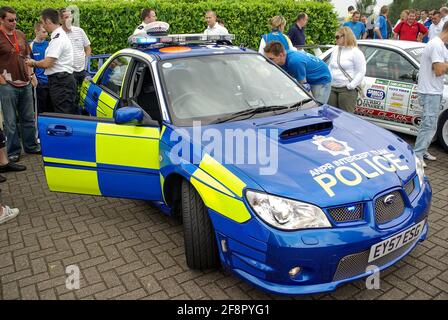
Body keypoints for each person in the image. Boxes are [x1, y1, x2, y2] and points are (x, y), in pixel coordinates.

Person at [0, 6, 41, 163]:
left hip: (25, 82)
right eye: (10, 20)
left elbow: (27, 56)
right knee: (10, 122)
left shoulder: (20, 34)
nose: (14, 22)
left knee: (29, 118)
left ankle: (31, 146)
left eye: (15, 19)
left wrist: (32, 75)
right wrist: (1, 80)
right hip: (7, 84)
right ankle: (13, 151)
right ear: (1, 20)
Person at [26, 8, 77, 115]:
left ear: (48, 21)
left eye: (43, 22)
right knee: (59, 113)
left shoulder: (58, 38)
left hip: (61, 82)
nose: (43, 26)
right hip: (60, 81)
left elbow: (47, 63)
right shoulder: (57, 37)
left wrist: (33, 63)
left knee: (63, 115)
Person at [413, 21, 448, 167]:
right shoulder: (436, 45)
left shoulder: (441, 46)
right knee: (428, 124)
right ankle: (417, 155)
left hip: (434, 90)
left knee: (431, 124)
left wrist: (444, 65)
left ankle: (423, 150)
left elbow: (442, 67)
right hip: (429, 91)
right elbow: (439, 70)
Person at [263, 41, 332, 104]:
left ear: (281, 55)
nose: (268, 61)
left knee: (317, 107)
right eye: (266, 58)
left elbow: (304, 86)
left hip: (321, 79)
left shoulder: (294, 62)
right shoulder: (282, 59)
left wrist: (311, 103)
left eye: (270, 59)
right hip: (311, 76)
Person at [328, 27, 366, 113]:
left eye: (337, 37)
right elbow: (330, 66)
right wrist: (329, 81)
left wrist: (351, 86)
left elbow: (361, 71)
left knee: (345, 118)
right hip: (332, 87)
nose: (335, 39)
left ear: (345, 37)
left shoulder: (355, 52)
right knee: (330, 116)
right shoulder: (335, 50)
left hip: (347, 90)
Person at [59, 8, 91, 109]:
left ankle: (86, 113)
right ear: (60, 20)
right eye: (66, 17)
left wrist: (86, 64)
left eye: (71, 17)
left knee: (89, 94)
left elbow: (88, 48)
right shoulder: (58, 34)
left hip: (82, 70)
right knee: (70, 97)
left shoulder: (79, 31)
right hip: (69, 72)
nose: (69, 19)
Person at [30, 21, 53, 113]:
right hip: (39, 83)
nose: (46, 34)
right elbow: (29, 65)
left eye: (46, 32)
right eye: (43, 32)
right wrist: (33, 78)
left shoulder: (50, 44)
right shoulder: (31, 46)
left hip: (52, 82)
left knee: (52, 110)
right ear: (36, 31)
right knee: (40, 110)